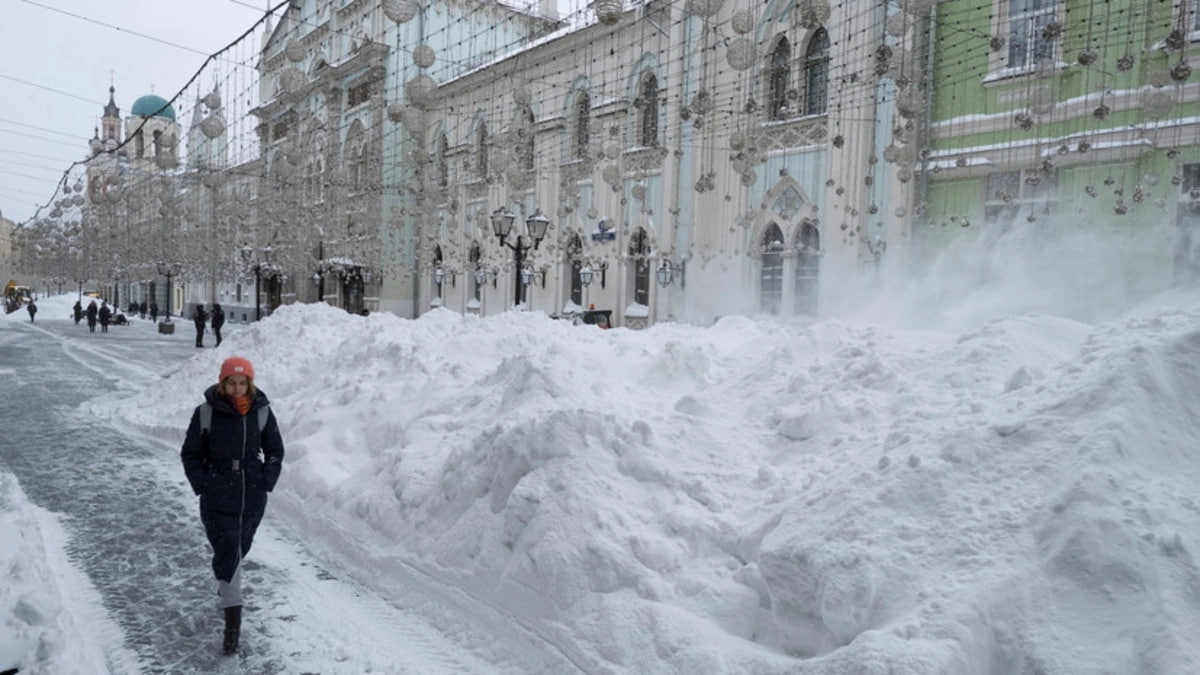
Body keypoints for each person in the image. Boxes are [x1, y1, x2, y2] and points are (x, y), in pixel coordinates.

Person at [180, 357, 284, 655]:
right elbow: (190, 453)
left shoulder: (262, 412)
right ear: (222, 383)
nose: (237, 388)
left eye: (242, 383)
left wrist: (266, 478)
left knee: (238, 550)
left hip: (252, 496)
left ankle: (226, 585)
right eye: (231, 382)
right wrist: (204, 484)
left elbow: (275, 450)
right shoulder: (205, 413)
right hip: (217, 496)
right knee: (230, 553)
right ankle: (232, 630)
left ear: (249, 384)